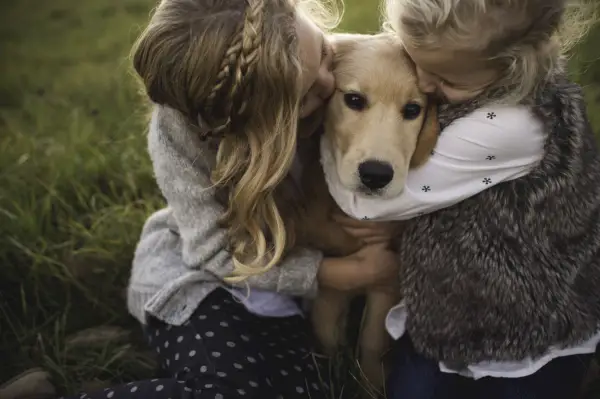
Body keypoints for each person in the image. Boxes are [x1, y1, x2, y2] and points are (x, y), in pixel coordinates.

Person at [60, 0, 399, 398]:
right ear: (244, 124)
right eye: (304, 97)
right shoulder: (183, 133)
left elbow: (442, 64)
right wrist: (345, 273)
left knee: (305, 388)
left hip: (291, 289)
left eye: (326, 52)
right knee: (239, 391)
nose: (331, 83)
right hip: (211, 281)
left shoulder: (328, 57)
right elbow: (215, 253)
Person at [323, 0, 600, 398]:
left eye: (443, 77)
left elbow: (370, 204)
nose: (423, 81)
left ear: (511, 67)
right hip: (442, 309)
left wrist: (329, 144)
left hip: (532, 329)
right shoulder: (473, 69)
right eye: (415, 59)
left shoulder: (513, 125)